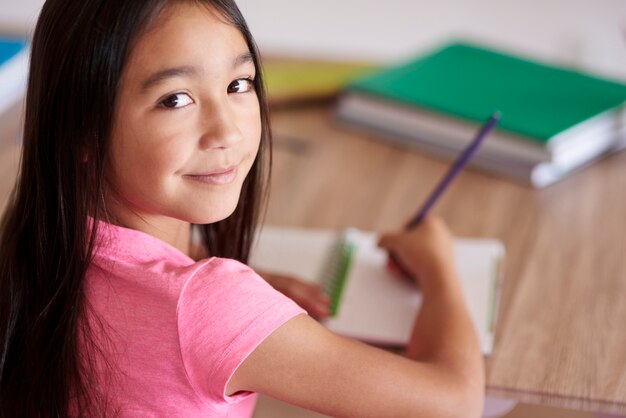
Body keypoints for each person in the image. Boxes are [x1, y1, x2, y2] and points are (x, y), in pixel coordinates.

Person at [0, 0, 484, 416]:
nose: (227, 132)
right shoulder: (209, 305)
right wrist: (440, 268)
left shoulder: (32, 243)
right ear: (81, 130)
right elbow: (455, 403)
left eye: (239, 85)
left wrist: (252, 289)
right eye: (176, 99)